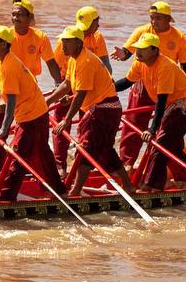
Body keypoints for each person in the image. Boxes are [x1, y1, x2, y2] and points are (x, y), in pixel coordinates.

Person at [0, 26, 63, 203]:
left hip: (31, 116)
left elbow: (11, 101)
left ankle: (6, 197)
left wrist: (4, 129)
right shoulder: (1, 61)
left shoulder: (10, 66)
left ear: (3, 43)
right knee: (43, 153)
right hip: (35, 112)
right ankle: (59, 191)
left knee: (16, 156)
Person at [49, 25, 132, 197]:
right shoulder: (73, 59)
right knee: (105, 149)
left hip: (104, 109)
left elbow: (80, 94)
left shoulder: (86, 61)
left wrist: (66, 120)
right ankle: (129, 186)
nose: (63, 45)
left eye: (67, 42)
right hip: (101, 108)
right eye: (62, 41)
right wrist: (47, 102)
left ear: (78, 43)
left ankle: (75, 190)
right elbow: (67, 85)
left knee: (86, 148)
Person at [113, 32, 186, 192]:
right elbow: (127, 82)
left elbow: (160, 101)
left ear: (154, 50)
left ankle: (152, 185)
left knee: (160, 144)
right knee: (172, 145)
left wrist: (152, 129)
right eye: (137, 48)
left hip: (185, 105)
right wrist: (107, 89)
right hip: (171, 106)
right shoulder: (140, 62)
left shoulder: (164, 66)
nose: (138, 52)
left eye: (143, 49)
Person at [111, 2, 186, 168]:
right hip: (143, 82)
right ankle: (126, 163)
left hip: (167, 85)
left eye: (158, 18)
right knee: (133, 123)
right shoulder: (142, 31)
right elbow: (127, 52)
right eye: (152, 18)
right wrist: (122, 54)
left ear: (169, 19)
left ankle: (165, 165)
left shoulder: (179, 38)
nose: (153, 22)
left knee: (165, 129)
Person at [9, 0, 62, 84]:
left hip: (30, 82)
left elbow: (51, 63)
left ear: (30, 17)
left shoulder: (40, 37)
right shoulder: (5, 36)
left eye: (20, 14)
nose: (15, 18)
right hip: (8, 81)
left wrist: (58, 85)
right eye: (13, 14)